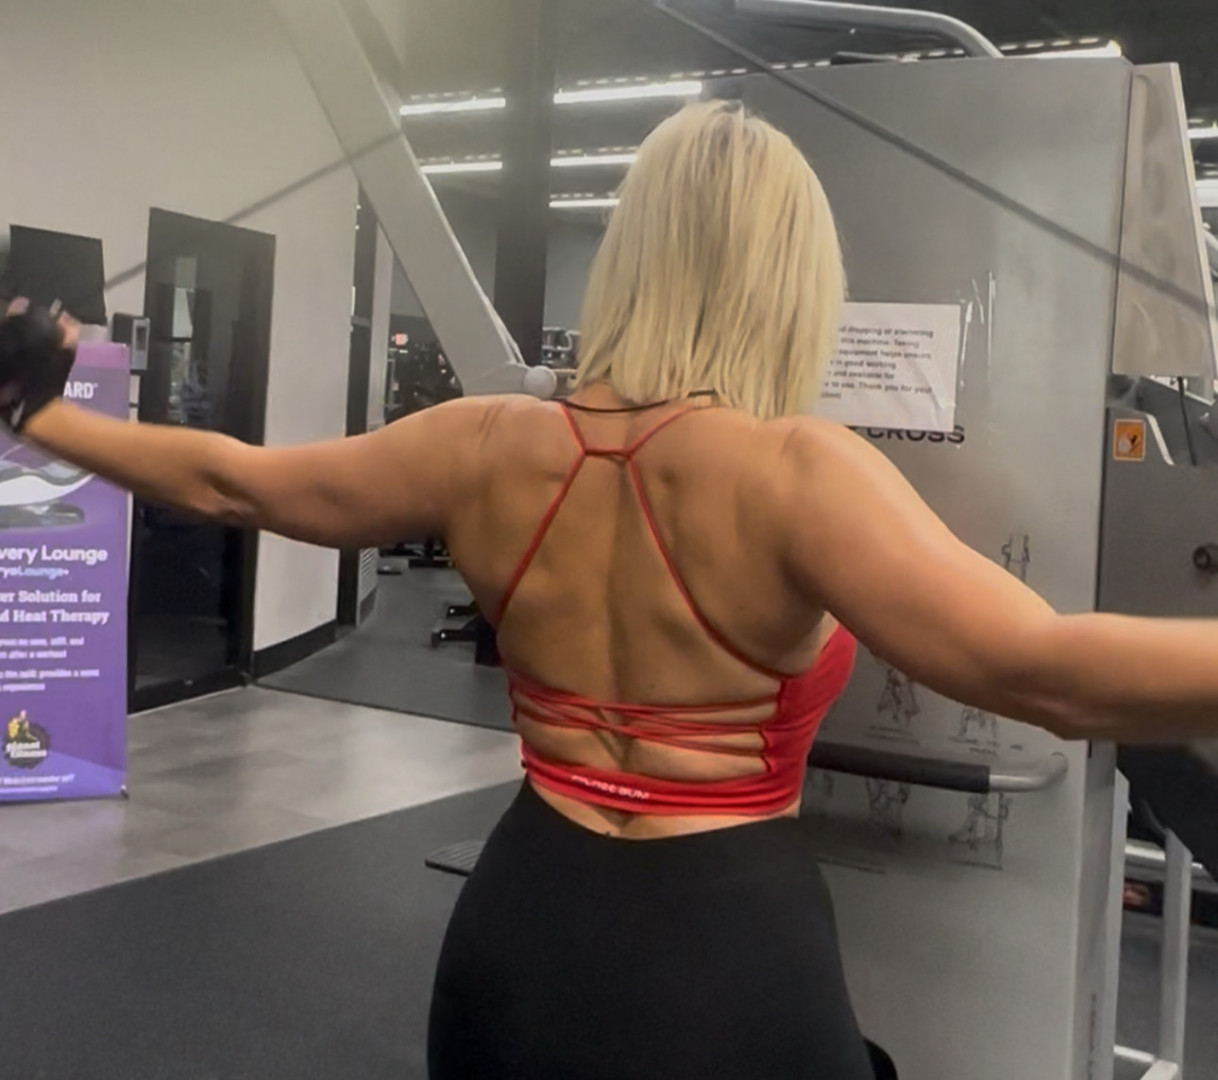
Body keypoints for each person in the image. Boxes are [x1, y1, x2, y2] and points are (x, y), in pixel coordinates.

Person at [4, 100, 1218, 1079]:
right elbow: (1042, 673)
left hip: (523, 931)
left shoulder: (484, 441)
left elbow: (231, 482)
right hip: (721, 958)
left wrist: (39, 412)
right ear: (788, 279)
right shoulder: (796, 472)